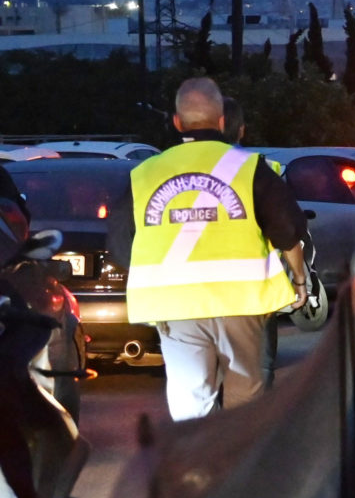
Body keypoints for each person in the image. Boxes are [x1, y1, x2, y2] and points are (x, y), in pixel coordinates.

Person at [111, 76, 308, 420]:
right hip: (243, 301)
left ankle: (196, 466)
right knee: (246, 397)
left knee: (189, 401)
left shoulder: (145, 175)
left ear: (176, 122)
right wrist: (300, 280)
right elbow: (287, 230)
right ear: (221, 122)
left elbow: (118, 244)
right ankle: (239, 466)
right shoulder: (250, 168)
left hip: (175, 305)